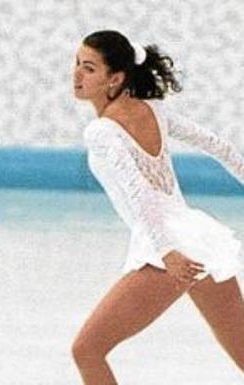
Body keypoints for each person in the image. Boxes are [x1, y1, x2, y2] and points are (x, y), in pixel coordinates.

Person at [71, 30, 244, 384]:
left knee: (87, 350)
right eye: (76, 64)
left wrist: (166, 252)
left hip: (168, 246)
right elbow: (220, 147)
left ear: (114, 79)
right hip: (199, 237)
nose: (76, 75)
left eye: (88, 68)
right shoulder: (153, 109)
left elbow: (139, 191)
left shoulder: (102, 131)